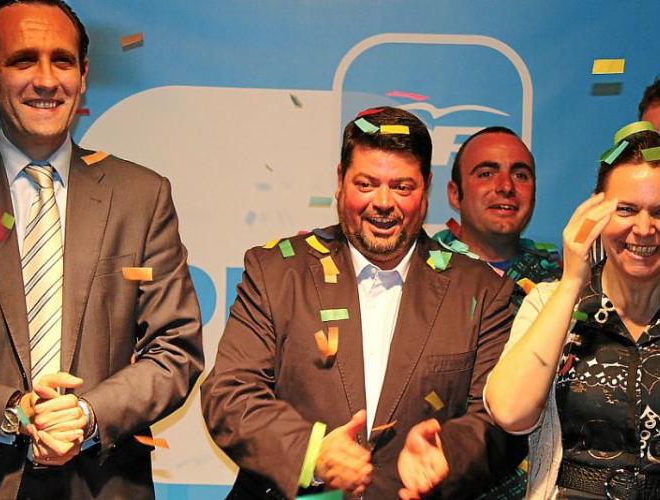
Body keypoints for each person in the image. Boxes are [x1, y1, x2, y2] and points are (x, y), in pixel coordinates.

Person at [0, 1, 203, 498]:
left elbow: (175, 350)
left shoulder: (141, 196)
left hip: (104, 484)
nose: (46, 80)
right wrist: (11, 413)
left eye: (62, 61)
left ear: (83, 76)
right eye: (22, 61)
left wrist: (87, 415)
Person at [201, 107, 525, 499]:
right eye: (366, 184)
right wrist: (311, 453)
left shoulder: (481, 292)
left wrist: (448, 452)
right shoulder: (276, 273)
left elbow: (499, 420)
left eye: (402, 187)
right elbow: (229, 394)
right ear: (340, 180)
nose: (383, 203)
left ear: (427, 188)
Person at [485, 124, 660, 499]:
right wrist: (571, 283)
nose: (644, 229)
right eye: (626, 210)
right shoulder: (550, 301)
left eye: (659, 212)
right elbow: (510, 413)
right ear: (595, 212)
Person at [435, 127, 561, 311]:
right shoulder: (421, 271)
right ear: (455, 194)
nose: (506, 186)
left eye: (520, 175)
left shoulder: (561, 280)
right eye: (486, 174)